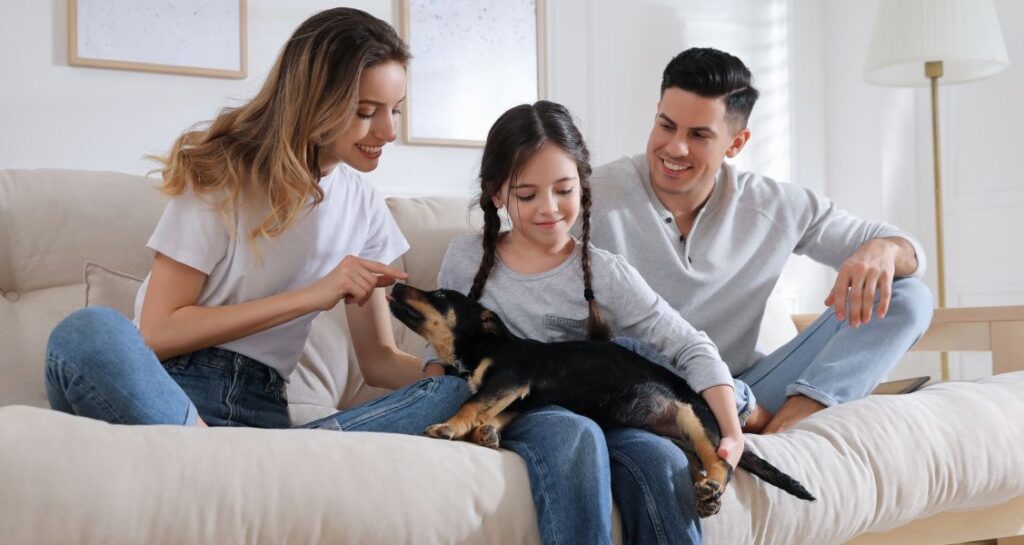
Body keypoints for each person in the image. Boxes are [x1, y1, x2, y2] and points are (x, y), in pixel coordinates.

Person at [45, 7, 468, 434]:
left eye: (395, 110)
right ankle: (215, 455)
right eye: (365, 111)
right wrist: (314, 296)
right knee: (86, 334)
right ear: (315, 101)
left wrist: (481, 381)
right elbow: (158, 330)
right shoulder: (223, 174)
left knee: (453, 392)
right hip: (169, 390)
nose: (389, 131)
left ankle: (264, 460)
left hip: (262, 410)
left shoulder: (365, 208)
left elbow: (379, 361)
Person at [425, 100, 743, 545]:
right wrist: (432, 391)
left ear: (582, 184)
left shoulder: (605, 272)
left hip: (609, 410)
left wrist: (730, 432)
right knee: (575, 433)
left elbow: (689, 345)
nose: (549, 208)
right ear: (498, 193)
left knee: (661, 462)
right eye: (527, 194)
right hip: (528, 414)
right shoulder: (466, 258)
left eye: (563, 189)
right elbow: (442, 347)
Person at [586, 47, 934, 434]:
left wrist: (882, 249)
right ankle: (771, 431)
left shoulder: (774, 206)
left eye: (698, 135)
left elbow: (907, 249)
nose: (675, 148)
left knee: (910, 297)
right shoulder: (591, 196)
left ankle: (796, 422)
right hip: (639, 399)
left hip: (747, 394)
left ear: (736, 143)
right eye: (666, 125)